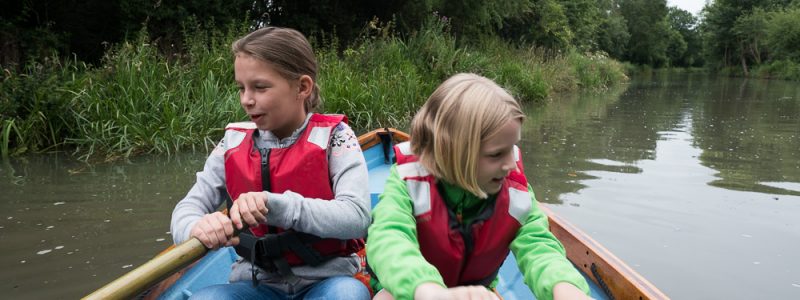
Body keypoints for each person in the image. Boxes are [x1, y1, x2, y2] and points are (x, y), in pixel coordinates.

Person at [170, 27, 371, 300]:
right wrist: (195, 227)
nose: (246, 100)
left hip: (327, 281)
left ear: (302, 87)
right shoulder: (231, 143)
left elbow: (357, 217)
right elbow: (187, 209)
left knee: (348, 295)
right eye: (241, 88)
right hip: (255, 285)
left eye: (260, 87)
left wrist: (275, 205)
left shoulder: (336, 138)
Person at [366, 73, 591, 300]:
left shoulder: (514, 191)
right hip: (413, 291)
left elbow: (540, 248)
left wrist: (566, 288)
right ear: (452, 152)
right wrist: (428, 290)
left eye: (512, 148)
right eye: (496, 154)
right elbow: (389, 237)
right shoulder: (408, 180)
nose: (511, 164)